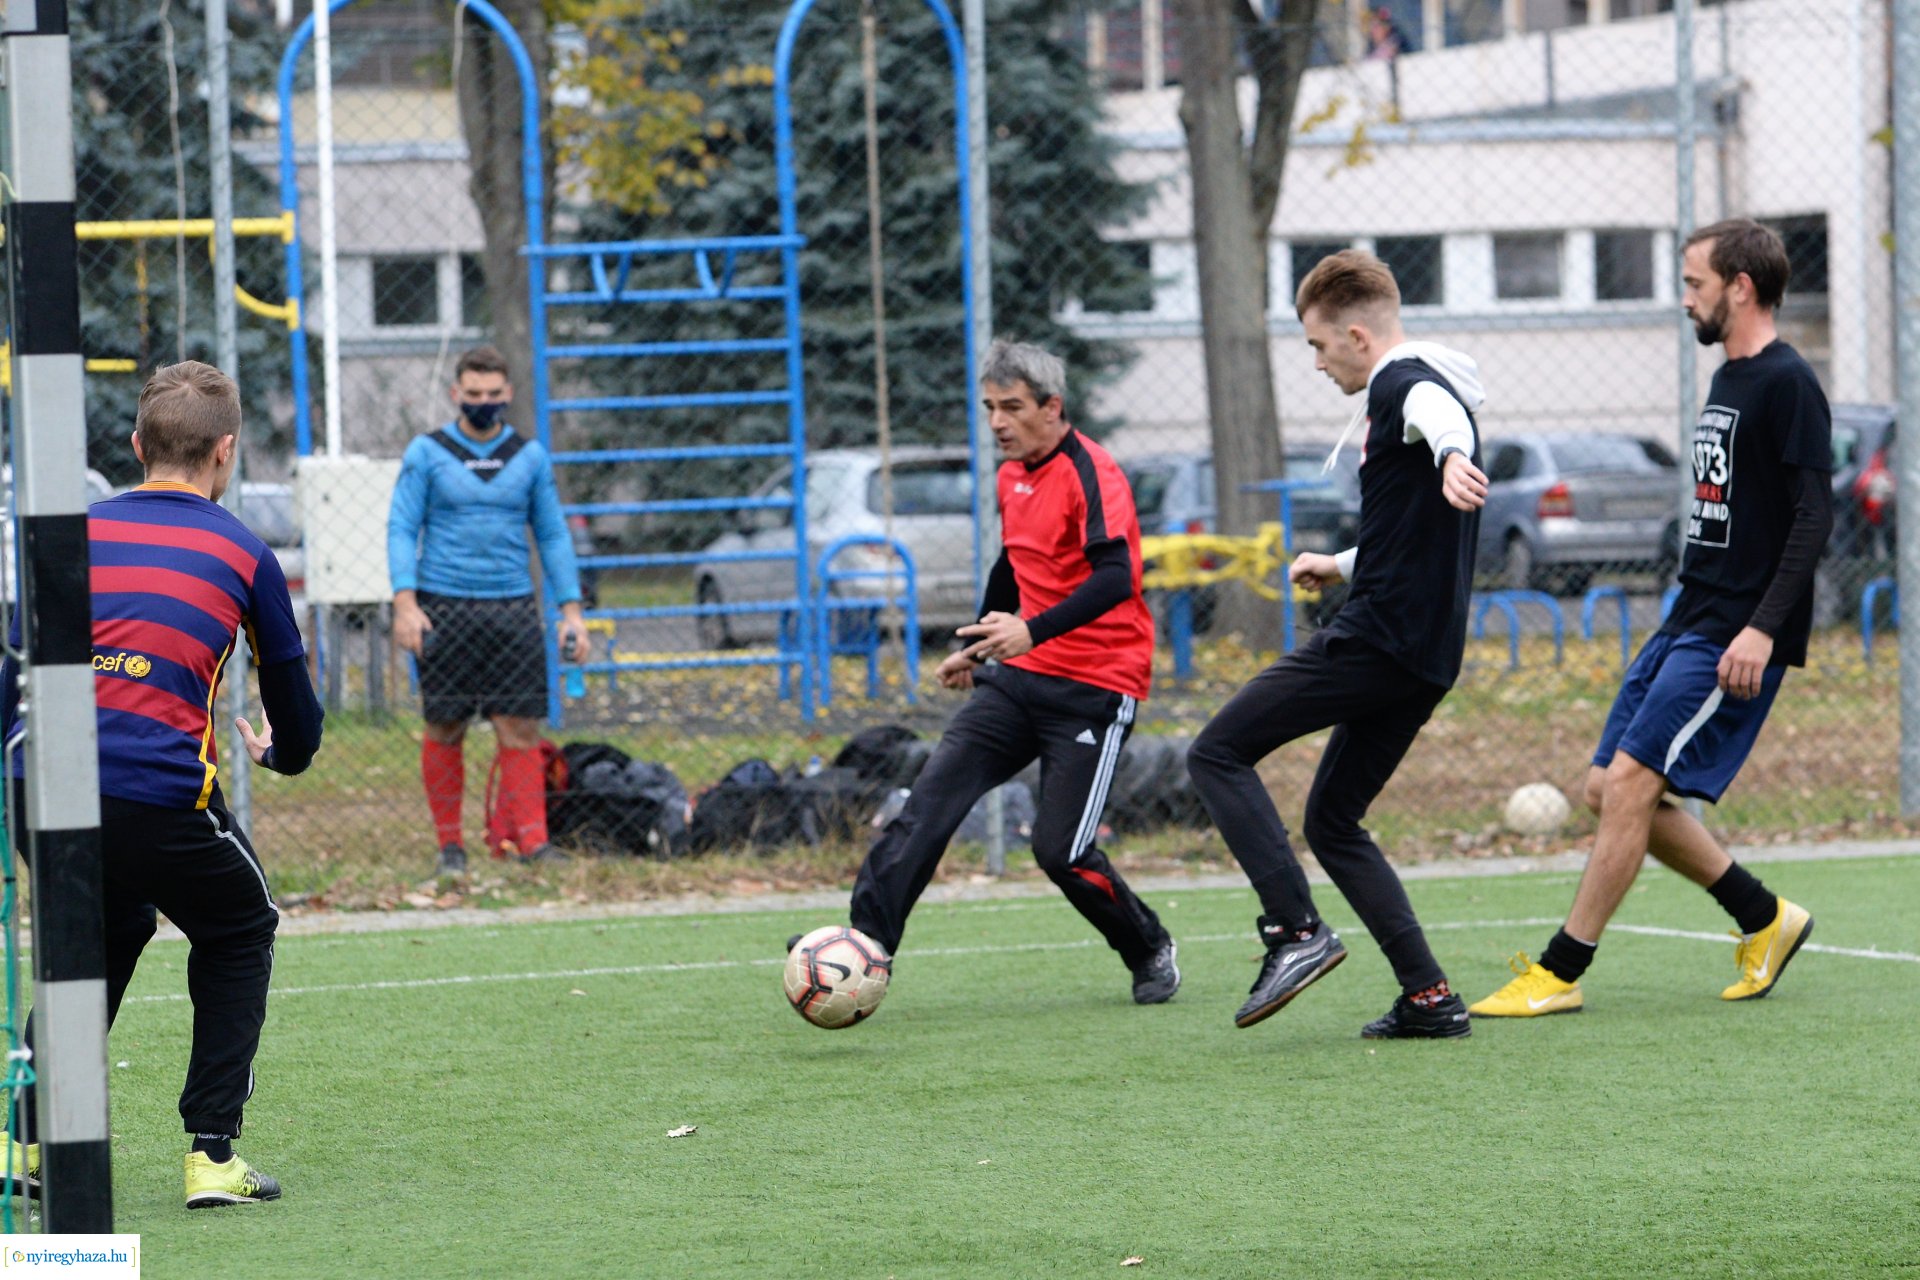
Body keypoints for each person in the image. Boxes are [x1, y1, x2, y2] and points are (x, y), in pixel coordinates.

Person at [1472, 218, 1829, 1018]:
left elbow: (1814, 518)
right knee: (1606, 788)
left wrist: (1763, 628)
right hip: (1688, 613)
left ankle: (1561, 970)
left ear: (1740, 287)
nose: (1684, 299)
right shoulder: (1729, 378)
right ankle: (1764, 918)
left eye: (1695, 283)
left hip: (1735, 630)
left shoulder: (1788, 383)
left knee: (1634, 783)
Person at [3, 361, 323, 1208]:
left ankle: (23, 1144)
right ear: (226, 453)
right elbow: (298, 714)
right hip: (150, 789)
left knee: (108, 923)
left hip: (37, 779)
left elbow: (11, 672)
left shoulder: (63, 533)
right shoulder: (246, 553)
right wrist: (281, 755)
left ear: (138, 447)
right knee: (243, 925)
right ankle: (213, 1155)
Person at [1185, 249, 1489, 1039]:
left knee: (1216, 752)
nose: (1317, 364)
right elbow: (1412, 527)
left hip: (1376, 643)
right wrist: (1344, 562)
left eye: (1318, 347)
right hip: (1425, 656)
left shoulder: (1404, 382)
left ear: (1356, 334)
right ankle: (1429, 996)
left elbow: (1436, 418)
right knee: (1332, 821)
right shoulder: (1429, 377)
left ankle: (1296, 931)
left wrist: (1455, 452)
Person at [826, 340, 1179, 1004]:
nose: (997, 422)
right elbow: (1014, 566)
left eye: (1012, 407)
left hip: (1095, 687)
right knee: (927, 805)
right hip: (1017, 680)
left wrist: (1031, 630)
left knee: (1061, 852)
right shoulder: (1012, 473)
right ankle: (863, 947)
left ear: (1053, 407)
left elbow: (1117, 577)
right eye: (990, 407)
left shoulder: (1093, 474)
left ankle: (1148, 946)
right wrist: (981, 640)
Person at [388, 346, 589, 874]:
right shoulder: (427, 453)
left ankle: (531, 844)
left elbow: (552, 534)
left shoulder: (530, 457)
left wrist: (572, 612)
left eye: (492, 395)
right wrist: (405, 603)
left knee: (520, 728)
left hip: (512, 607)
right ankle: (450, 849)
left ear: (508, 395)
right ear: (456, 394)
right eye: (472, 394)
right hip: (442, 607)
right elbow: (401, 528)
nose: (482, 402)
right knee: (444, 726)